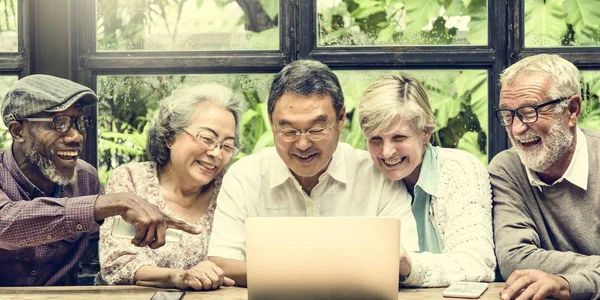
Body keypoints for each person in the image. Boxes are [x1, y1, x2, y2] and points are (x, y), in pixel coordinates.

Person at [207, 59, 419, 287]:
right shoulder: (245, 176)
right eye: (288, 130)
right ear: (271, 123)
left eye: (317, 129)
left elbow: (407, 258)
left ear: (340, 119)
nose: (302, 144)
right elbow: (222, 263)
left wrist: (282, 271)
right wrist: (319, 273)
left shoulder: (377, 175)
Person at [0, 74, 200, 286]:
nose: (76, 136)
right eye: (58, 123)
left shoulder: (85, 179)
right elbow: (5, 225)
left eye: (79, 122)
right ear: (18, 130)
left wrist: (154, 232)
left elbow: (108, 246)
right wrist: (108, 203)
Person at [98, 83, 242, 290]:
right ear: (170, 136)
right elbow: (118, 262)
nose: (217, 154)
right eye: (207, 139)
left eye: (227, 146)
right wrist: (179, 277)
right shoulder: (131, 180)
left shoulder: (230, 188)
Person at [358, 74, 496, 287]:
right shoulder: (366, 175)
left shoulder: (459, 169)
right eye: (375, 139)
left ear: (425, 133)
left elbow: (477, 263)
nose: (386, 152)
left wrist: (410, 266)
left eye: (399, 137)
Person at [489, 54, 600, 300]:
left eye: (530, 112)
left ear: (572, 110)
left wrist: (568, 284)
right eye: (508, 115)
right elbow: (514, 258)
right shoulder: (506, 169)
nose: (516, 129)